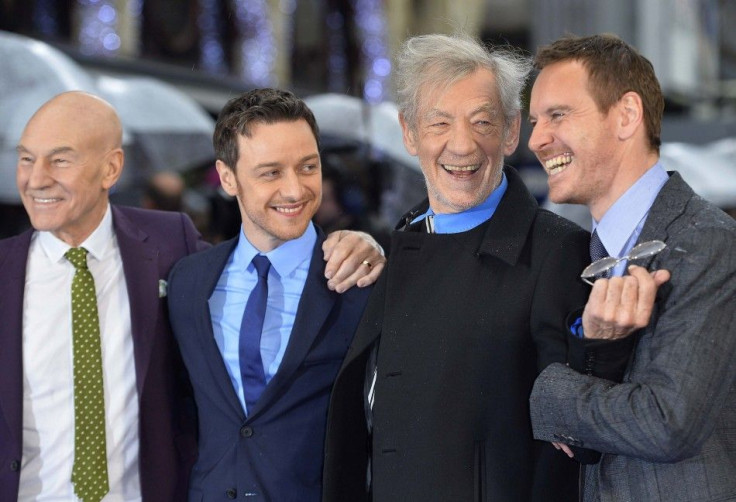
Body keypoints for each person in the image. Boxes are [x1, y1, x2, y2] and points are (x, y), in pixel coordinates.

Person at [0, 91, 384, 501]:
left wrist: (365, 244)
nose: (37, 177)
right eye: (26, 158)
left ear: (111, 167)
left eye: (60, 159)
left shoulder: (171, 251)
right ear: (228, 177)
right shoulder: (188, 277)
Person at [322, 33, 592, 501]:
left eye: (481, 122)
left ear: (510, 132)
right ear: (409, 133)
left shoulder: (557, 251)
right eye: (439, 123)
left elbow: (568, 446)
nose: (461, 146)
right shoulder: (395, 250)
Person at [527, 34, 736, 501]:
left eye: (558, 115)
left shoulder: (707, 242)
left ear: (626, 115)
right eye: (536, 120)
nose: (537, 138)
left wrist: (551, 395)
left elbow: (667, 425)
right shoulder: (583, 252)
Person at [166, 88, 374, 501]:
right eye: (271, 172)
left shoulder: (360, 278)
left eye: (308, 167)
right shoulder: (188, 281)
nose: (295, 190)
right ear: (228, 178)